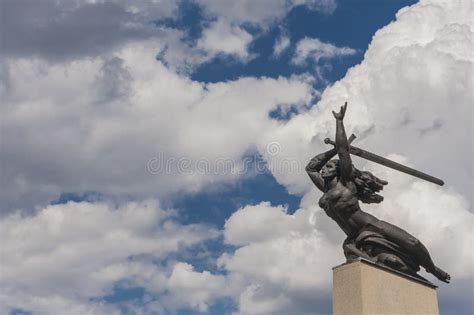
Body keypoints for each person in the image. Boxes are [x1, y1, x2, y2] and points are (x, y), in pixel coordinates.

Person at [305, 102, 450, 283]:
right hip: (355, 237)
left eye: (328, 167)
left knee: (413, 243)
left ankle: (433, 269)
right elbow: (311, 167)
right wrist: (332, 150)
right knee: (392, 262)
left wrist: (339, 123)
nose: (324, 170)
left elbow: (343, 151)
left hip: (371, 226)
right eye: (324, 167)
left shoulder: (346, 183)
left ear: (338, 170)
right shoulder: (326, 189)